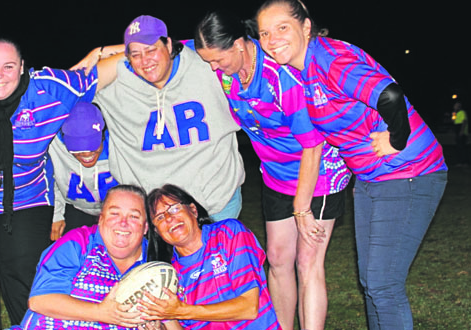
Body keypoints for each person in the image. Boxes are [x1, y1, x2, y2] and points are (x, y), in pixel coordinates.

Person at [256, 1, 448, 329]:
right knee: (371, 282)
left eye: (282, 28)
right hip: (371, 179)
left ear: (305, 27)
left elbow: (388, 95)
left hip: (410, 173)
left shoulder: (329, 58)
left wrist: (395, 139)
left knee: (383, 283)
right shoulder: (300, 71)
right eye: (264, 33)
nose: (272, 39)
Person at [0, 38, 118, 329]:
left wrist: (102, 51)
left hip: (28, 198)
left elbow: (130, 62)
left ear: (22, 68)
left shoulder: (51, 89)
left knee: (25, 275)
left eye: (8, 66)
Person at [192, 10, 351, 330]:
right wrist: (104, 51)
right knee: (278, 260)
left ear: (239, 45)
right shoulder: (228, 70)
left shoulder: (281, 77)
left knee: (308, 264)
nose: (213, 67)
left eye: (217, 59)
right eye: (206, 60)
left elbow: (313, 145)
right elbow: (166, 48)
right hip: (276, 175)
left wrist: (302, 207)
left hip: (318, 175)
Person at [73, 15, 246, 221]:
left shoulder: (206, 66)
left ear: (169, 44)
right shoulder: (112, 84)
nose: (145, 61)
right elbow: (61, 93)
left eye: (152, 50)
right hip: (157, 214)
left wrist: (104, 51)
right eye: (135, 54)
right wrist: (101, 54)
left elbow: (242, 49)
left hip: (217, 200)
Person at [16, 184, 176, 330]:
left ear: (146, 227)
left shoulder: (156, 267)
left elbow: (170, 321)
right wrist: (101, 312)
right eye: (114, 213)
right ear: (101, 219)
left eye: (134, 216)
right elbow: (41, 301)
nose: (123, 223)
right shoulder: (78, 243)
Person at [140, 184, 280, 329]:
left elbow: (249, 307)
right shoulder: (169, 277)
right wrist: (166, 318)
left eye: (174, 208)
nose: (169, 218)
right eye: (160, 217)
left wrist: (182, 310)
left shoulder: (229, 233)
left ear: (193, 210)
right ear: (157, 232)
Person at [49, 102, 119, 241]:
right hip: (77, 209)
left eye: (92, 145)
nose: (87, 154)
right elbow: (52, 178)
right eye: (78, 148)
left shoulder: (118, 143)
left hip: (119, 212)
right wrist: (57, 215)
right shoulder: (54, 143)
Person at [452, 101, 468, 166]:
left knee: (462, 147)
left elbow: (464, 121)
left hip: (461, 131)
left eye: (456, 106)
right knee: (459, 147)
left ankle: (464, 162)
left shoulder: (462, 112)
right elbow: (453, 121)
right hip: (457, 130)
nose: (454, 107)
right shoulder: (455, 113)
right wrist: (454, 114)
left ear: (459, 106)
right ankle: (460, 162)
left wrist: (461, 131)